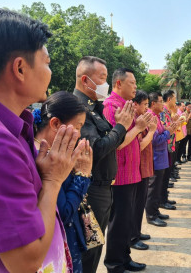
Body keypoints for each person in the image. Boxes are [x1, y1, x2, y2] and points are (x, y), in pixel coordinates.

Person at [0, 9, 87, 272]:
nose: (50, 72)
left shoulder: (8, 124)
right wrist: (53, 181)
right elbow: (26, 261)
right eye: (46, 62)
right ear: (20, 68)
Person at [73, 56, 133, 273]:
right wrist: (121, 127)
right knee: (88, 248)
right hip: (91, 191)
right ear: (85, 80)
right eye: (102, 78)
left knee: (95, 245)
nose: (105, 84)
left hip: (103, 188)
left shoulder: (94, 108)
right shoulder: (78, 108)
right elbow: (95, 148)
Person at [33, 92, 93, 273]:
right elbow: (63, 213)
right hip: (57, 245)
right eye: (78, 126)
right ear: (56, 124)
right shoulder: (46, 160)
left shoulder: (52, 151)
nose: (80, 133)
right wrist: (82, 176)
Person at [103, 68, 151, 273]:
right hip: (120, 175)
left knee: (127, 220)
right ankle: (114, 264)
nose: (135, 87)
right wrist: (138, 128)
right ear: (118, 84)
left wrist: (141, 128)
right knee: (118, 222)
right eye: (132, 83)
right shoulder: (111, 106)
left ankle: (124, 257)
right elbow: (118, 143)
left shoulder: (127, 106)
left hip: (132, 171)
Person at [130, 90, 157, 251]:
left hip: (144, 167)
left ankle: (137, 233)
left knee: (140, 204)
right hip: (137, 169)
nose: (147, 108)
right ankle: (133, 237)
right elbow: (139, 146)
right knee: (136, 204)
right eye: (145, 105)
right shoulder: (136, 121)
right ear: (135, 104)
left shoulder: (142, 119)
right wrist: (152, 131)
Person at [146, 92, 176, 227]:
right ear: (153, 104)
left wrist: (168, 129)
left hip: (161, 157)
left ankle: (156, 211)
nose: (162, 104)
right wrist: (168, 131)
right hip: (155, 158)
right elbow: (155, 140)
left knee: (158, 188)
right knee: (153, 188)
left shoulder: (157, 117)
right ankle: (151, 215)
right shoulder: (150, 118)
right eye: (160, 102)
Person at [160, 90, 179, 210]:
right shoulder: (163, 112)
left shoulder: (168, 112)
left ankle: (164, 198)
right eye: (174, 98)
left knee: (165, 176)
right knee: (162, 177)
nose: (175, 101)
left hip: (169, 146)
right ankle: (162, 200)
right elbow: (164, 128)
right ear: (169, 99)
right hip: (165, 146)